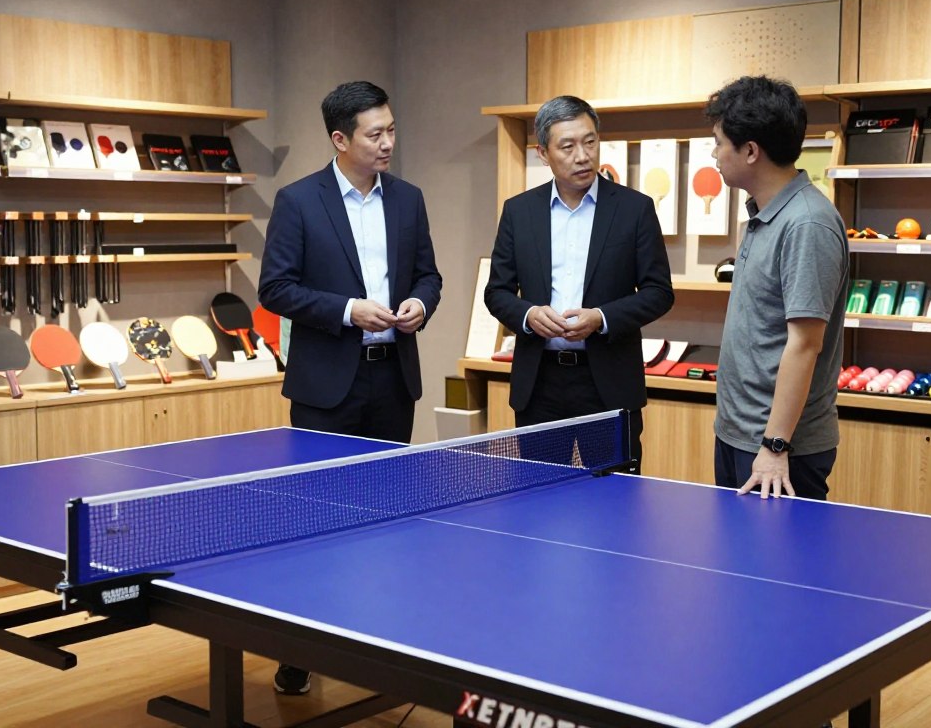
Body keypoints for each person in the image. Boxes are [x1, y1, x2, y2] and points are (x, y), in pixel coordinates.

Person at [258, 80, 442, 695]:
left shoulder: (409, 199)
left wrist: (419, 303)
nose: (388, 142)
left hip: (393, 379)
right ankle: (299, 650)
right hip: (325, 386)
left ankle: (378, 641)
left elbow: (429, 275)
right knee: (315, 523)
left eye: (391, 130)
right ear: (340, 139)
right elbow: (275, 288)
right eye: (375, 133)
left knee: (385, 519)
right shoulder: (297, 200)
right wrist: (346, 311)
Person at [484, 95, 673, 470]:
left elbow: (658, 292)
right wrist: (528, 316)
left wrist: (601, 318)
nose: (583, 156)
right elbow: (497, 292)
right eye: (567, 146)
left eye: (590, 142)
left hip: (608, 383)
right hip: (540, 383)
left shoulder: (634, 209)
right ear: (543, 153)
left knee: (615, 495)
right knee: (539, 494)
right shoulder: (519, 211)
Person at [706, 76, 849, 501]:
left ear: (750, 151)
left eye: (719, 143)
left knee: (773, 549)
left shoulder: (808, 223)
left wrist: (774, 445)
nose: (714, 154)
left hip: (779, 450)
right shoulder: (764, 214)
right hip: (741, 434)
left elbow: (805, 344)